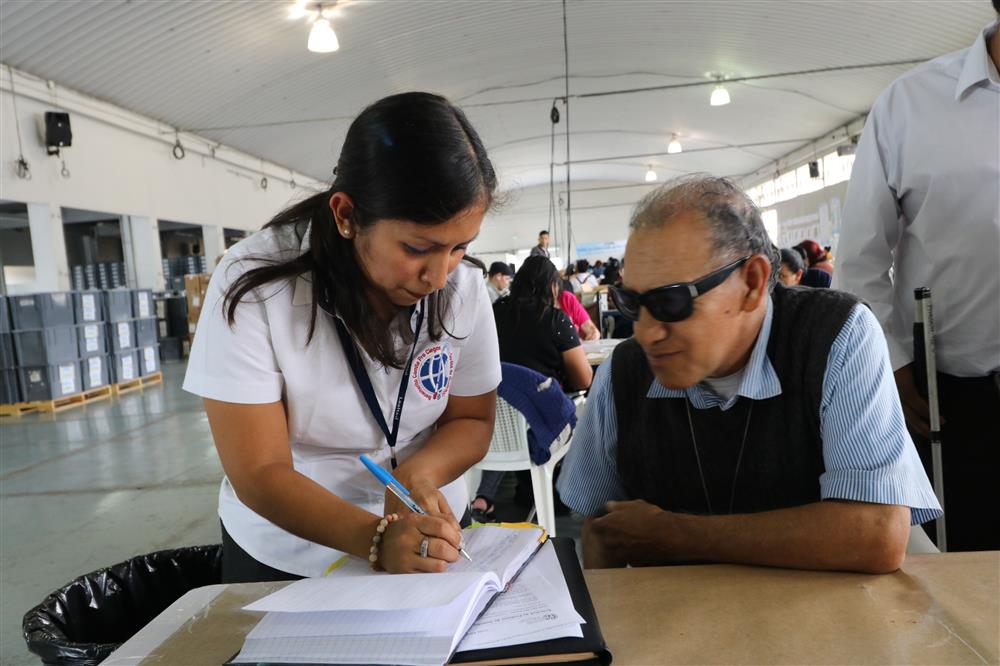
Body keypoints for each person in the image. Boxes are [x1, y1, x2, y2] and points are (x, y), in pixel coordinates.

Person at [183, 92, 502, 581]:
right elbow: (260, 471)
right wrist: (373, 538)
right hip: (289, 546)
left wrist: (419, 474)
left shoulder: (463, 286)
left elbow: (473, 418)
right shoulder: (254, 283)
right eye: (418, 248)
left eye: (460, 247)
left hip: (428, 532)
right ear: (346, 214)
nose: (438, 276)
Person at [557, 175, 941, 574]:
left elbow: (875, 534)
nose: (645, 332)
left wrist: (674, 535)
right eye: (631, 303)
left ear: (753, 283)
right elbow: (602, 532)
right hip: (679, 619)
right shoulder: (624, 373)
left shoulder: (835, 337)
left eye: (671, 301)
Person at [836, 11, 1000, 551]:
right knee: (969, 569)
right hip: (956, 399)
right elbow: (860, 260)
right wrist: (894, 364)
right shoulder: (911, 105)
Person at [472, 256, 593, 521]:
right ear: (552, 286)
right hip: (543, 421)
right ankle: (571, 490)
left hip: (496, 423)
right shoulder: (556, 320)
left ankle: (504, 493)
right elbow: (584, 380)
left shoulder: (493, 314)